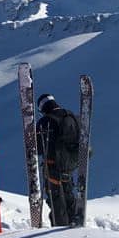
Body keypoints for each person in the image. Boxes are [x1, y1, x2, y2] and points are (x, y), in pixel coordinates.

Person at [36, 93, 81, 226]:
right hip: (71, 165)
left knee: (55, 198)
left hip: (53, 167)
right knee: (68, 194)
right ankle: (74, 221)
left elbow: (37, 148)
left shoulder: (46, 121)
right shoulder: (72, 116)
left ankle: (59, 229)